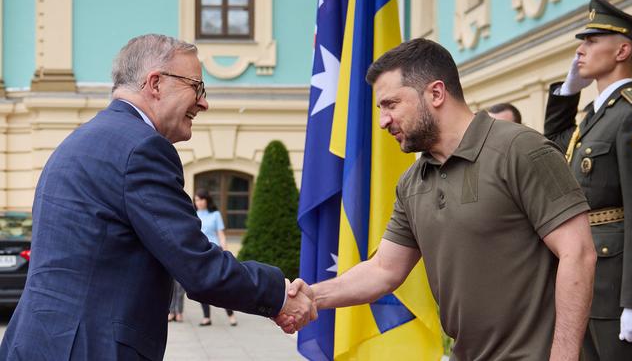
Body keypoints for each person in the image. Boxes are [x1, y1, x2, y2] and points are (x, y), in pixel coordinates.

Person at [0, 34, 315, 361]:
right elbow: (198, 266)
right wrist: (278, 294)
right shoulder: (141, 149)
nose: (204, 103)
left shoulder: (79, 142)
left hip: (36, 343)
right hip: (90, 348)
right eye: (197, 87)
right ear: (155, 83)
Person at [280, 38, 597, 360]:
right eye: (380, 109)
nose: (383, 121)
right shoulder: (412, 181)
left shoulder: (521, 149)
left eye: (391, 104)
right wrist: (312, 295)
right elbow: (383, 269)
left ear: (435, 93)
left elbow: (579, 253)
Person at [544, 0, 632, 359]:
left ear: (622, 50)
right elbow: (554, 147)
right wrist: (567, 92)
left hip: (616, 281)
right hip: (583, 274)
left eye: (591, 41)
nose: (580, 50)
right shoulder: (593, 117)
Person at [193, 188, 237, 327]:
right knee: (202, 286)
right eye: (196, 200)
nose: (198, 202)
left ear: (207, 200)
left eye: (201, 199)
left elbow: (221, 234)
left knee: (221, 284)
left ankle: (230, 314)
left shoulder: (215, 214)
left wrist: (226, 252)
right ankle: (206, 317)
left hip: (215, 251)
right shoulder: (193, 215)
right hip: (200, 253)